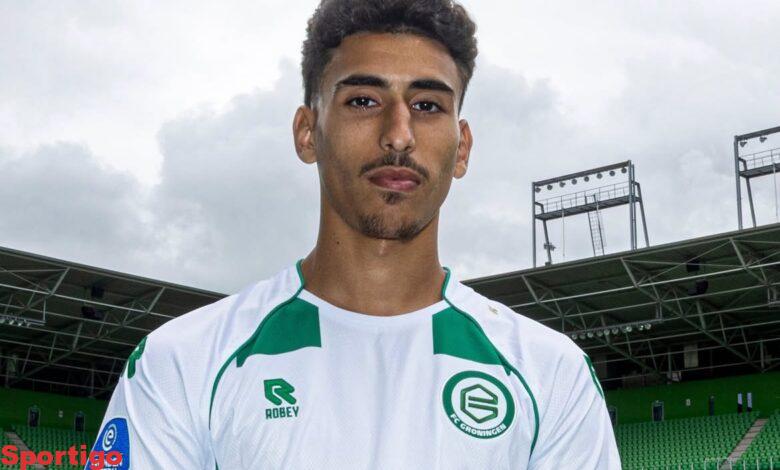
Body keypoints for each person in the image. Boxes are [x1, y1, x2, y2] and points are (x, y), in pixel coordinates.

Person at [89, 0, 621, 468]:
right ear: (307, 133)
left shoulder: (550, 373)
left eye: (428, 105)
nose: (399, 135)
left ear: (462, 148)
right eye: (364, 100)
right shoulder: (183, 361)